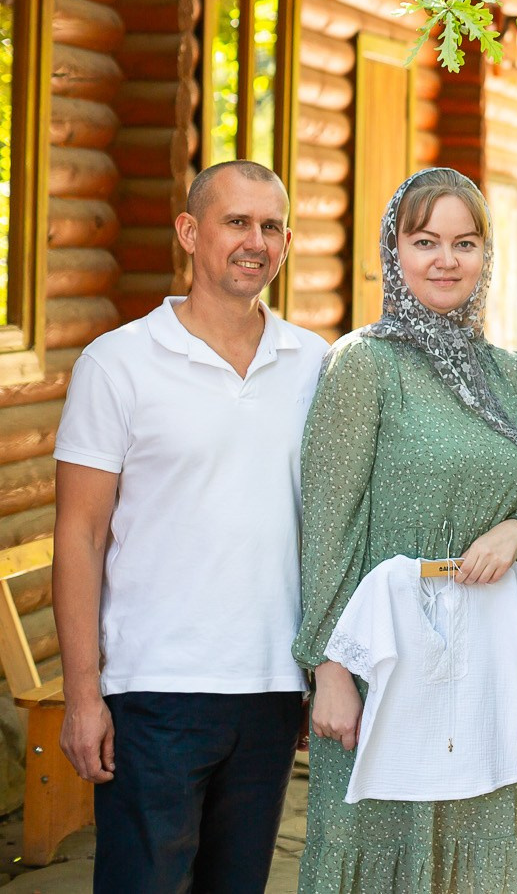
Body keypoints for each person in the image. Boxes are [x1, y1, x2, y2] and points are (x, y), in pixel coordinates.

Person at [52, 160, 326, 894]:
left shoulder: (316, 365)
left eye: (271, 226)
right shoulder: (117, 364)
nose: (256, 241)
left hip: (271, 687)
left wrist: (318, 673)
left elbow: (330, 527)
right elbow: (78, 536)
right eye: (237, 221)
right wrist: (83, 695)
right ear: (189, 231)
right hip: (154, 690)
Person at [294, 167, 517, 893]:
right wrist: (329, 669)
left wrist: (514, 530)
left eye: (465, 242)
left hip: (478, 662)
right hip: (381, 658)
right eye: (426, 240)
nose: (447, 259)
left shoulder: (509, 374)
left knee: (470, 837)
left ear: (485, 255)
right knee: (374, 839)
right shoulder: (363, 364)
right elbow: (327, 524)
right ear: (394, 251)